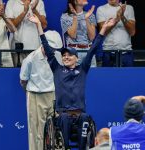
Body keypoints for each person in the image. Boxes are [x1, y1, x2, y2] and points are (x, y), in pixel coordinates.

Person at [29, 14, 117, 149]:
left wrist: (103, 29)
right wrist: (38, 25)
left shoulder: (82, 69)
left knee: (85, 117)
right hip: (62, 116)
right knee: (63, 118)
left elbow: (93, 49)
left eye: (69, 55)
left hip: (79, 114)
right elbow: (46, 47)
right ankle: (65, 147)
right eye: (63, 55)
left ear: (76, 58)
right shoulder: (57, 69)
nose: (65, 57)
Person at [20, 30, 63, 150]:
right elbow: (23, 80)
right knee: (36, 131)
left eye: (55, 49)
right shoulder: (30, 59)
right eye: (52, 48)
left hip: (53, 95)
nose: (54, 51)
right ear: (44, 44)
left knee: (57, 128)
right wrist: (31, 92)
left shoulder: (58, 57)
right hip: (35, 96)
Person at [5, 0, 47, 66]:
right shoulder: (11, 2)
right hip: (17, 48)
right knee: (16, 74)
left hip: (35, 48)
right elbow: (11, 27)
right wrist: (24, 12)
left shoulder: (39, 2)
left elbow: (44, 25)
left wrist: (34, 10)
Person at [96, 0, 136, 67]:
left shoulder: (129, 8)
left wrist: (122, 16)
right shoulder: (101, 9)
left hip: (126, 52)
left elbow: (132, 32)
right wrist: (117, 19)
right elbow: (103, 32)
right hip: (108, 52)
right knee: (108, 77)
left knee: (128, 77)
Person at [61, 0, 97, 67]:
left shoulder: (90, 15)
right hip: (73, 53)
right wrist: (75, 17)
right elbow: (73, 35)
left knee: (92, 76)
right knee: (74, 77)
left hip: (89, 52)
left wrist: (86, 18)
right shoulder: (65, 16)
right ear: (75, 1)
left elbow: (92, 37)